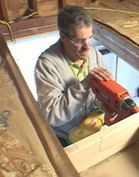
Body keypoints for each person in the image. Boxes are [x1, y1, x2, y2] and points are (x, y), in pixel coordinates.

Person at [34, 5, 112, 147]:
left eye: (90, 38)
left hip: (90, 125)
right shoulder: (46, 65)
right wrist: (84, 84)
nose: (87, 46)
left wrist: (106, 105)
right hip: (64, 136)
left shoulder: (93, 54)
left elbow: (102, 93)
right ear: (63, 37)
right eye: (79, 40)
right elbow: (52, 115)